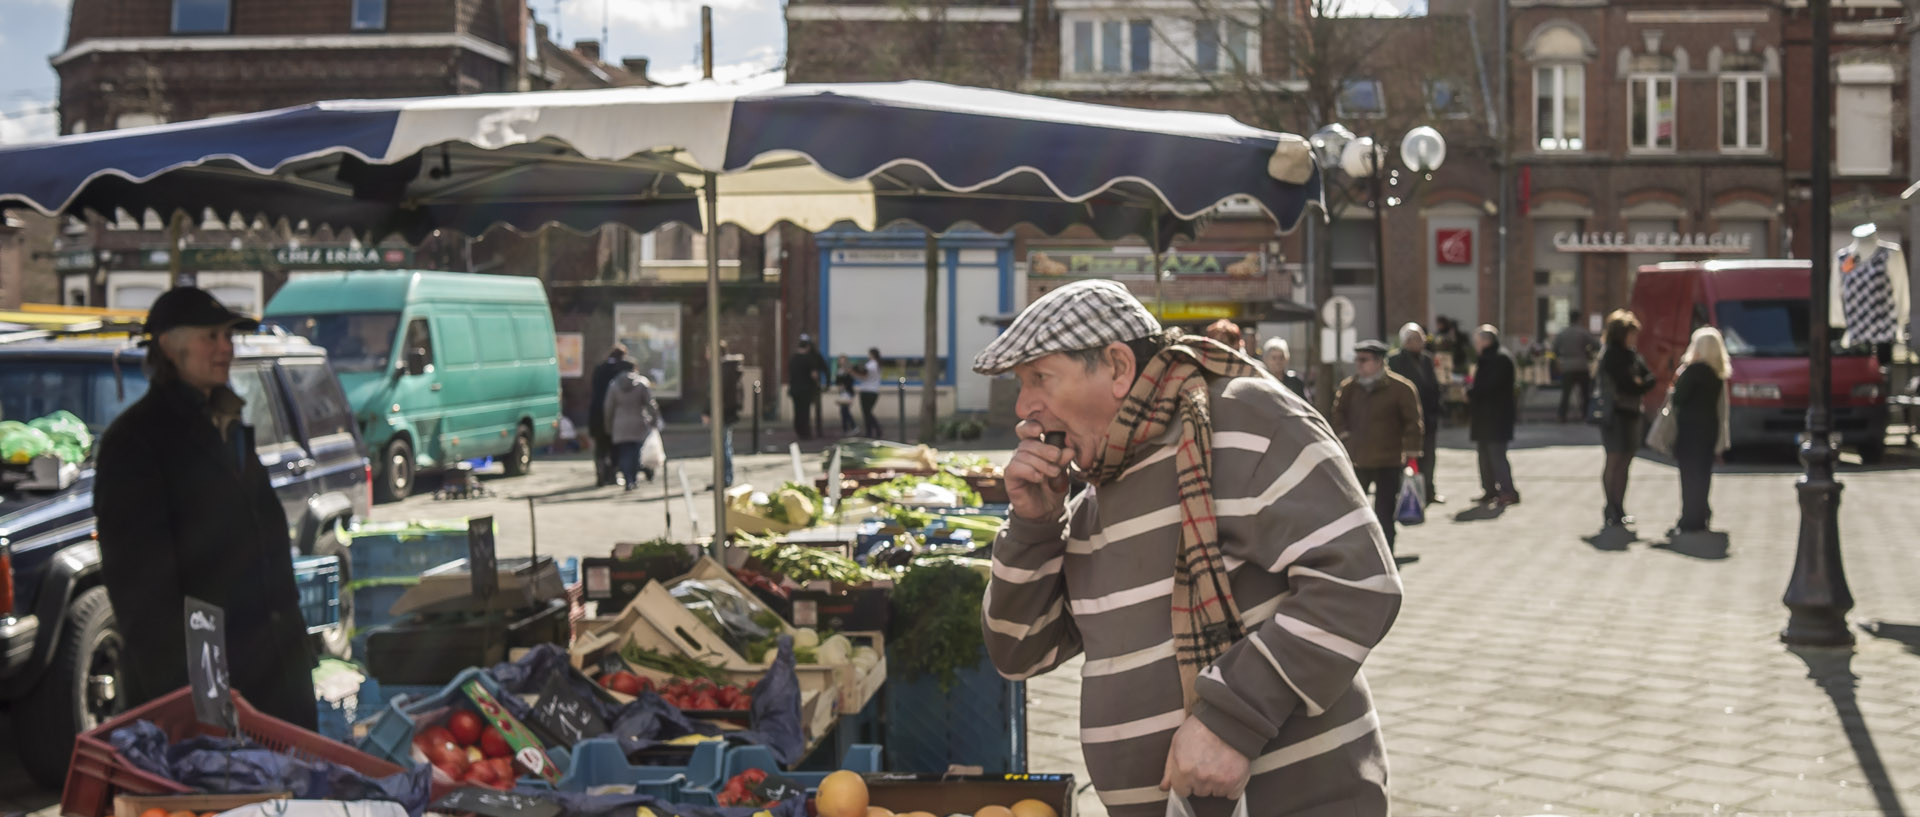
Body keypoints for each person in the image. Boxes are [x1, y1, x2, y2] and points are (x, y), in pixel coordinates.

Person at [978, 279, 1401, 816]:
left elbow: (1360, 580)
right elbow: (1020, 652)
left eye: (1040, 377)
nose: (1024, 406)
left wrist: (1231, 721)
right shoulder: (1095, 496)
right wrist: (1033, 525)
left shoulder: (1246, 419)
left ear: (1117, 367)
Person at [92, 287, 316, 728]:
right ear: (169, 347)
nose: (225, 348)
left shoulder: (228, 425)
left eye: (228, 337)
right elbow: (141, 590)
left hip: (274, 676)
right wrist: (188, 695)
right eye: (210, 337)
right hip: (206, 686)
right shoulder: (136, 441)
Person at [1333, 339, 1424, 553]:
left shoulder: (1400, 388)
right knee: (1355, 511)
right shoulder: (1349, 387)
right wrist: (1345, 436)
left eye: (1364, 360)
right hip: (1357, 460)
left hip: (1388, 460)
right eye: (1357, 359)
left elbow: (1413, 422)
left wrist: (1412, 455)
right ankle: (1359, 553)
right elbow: (1338, 413)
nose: (1359, 364)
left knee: (1384, 513)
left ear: (1379, 362)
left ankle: (1386, 553)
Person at [1669, 327, 1732, 536]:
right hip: (1709, 428)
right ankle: (1702, 515)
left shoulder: (1693, 371)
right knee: (1703, 474)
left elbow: (1677, 398)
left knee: (1688, 475)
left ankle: (1689, 519)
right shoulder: (1717, 373)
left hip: (1689, 429)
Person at [1598, 310, 1657, 527]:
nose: (1634, 338)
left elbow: (1650, 378)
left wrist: (1639, 382)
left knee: (1626, 462)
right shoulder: (1611, 355)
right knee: (1614, 461)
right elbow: (1628, 384)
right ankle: (1610, 507)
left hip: (1632, 414)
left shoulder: (1632, 355)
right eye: (1631, 334)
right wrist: (1638, 383)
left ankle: (1619, 507)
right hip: (1614, 416)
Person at [1387, 323, 1444, 505]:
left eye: (1422, 339)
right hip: (1405, 418)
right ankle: (1405, 492)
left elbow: (1434, 386)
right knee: (1407, 457)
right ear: (1407, 341)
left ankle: (1429, 491)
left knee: (1429, 456)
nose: (1421, 342)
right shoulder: (1395, 360)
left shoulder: (1427, 359)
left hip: (1428, 417)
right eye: (1417, 339)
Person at [1466, 325, 1519, 506]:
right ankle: (1489, 490)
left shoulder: (1499, 358)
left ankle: (1507, 490)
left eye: (1478, 342)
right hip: (1485, 417)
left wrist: (1471, 392)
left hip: (1496, 417)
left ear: (1486, 341)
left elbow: (1489, 387)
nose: (1476, 346)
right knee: (1484, 455)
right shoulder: (1489, 357)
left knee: (1496, 455)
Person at [603, 359, 661, 490]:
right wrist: (654, 419)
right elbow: (651, 404)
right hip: (638, 421)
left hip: (620, 423)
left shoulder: (614, 385)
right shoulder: (641, 383)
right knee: (636, 452)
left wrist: (608, 425)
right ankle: (633, 479)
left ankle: (628, 478)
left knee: (624, 453)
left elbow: (608, 407)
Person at [588, 344, 629, 487]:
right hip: (614, 414)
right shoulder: (620, 370)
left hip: (596, 413)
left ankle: (600, 475)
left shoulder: (599, 369)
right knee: (614, 446)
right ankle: (612, 475)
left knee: (600, 446)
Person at [1553, 311, 1599, 423]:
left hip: (1567, 366)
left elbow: (1554, 348)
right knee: (1585, 393)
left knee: (1566, 394)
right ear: (1579, 319)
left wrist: (1558, 361)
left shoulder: (1563, 333)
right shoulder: (1582, 332)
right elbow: (1596, 345)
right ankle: (1585, 415)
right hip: (1582, 365)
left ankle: (1562, 416)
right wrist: (1588, 352)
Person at [788, 334, 829, 440]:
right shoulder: (809, 359)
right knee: (805, 411)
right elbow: (814, 375)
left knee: (797, 411)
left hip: (794, 389)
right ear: (808, 347)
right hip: (806, 389)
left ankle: (799, 431)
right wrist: (819, 384)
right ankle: (806, 433)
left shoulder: (793, 359)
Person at [857, 346, 885, 438]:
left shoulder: (871, 365)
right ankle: (875, 430)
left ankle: (873, 430)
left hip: (867, 390)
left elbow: (864, 376)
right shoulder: (877, 364)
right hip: (874, 390)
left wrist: (853, 372)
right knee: (868, 412)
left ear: (872, 354)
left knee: (867, 412)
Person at [833, 354, 858, 434]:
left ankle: (852, 427)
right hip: (842, 393)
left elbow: (851, 381)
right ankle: (846, 428)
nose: (842, 362)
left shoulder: (849, 370)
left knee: (845, 410)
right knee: (843, 411)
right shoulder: (839, 370)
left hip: (848, 393)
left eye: (843, 360)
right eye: (840, 360)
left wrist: (844, 385)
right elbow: (837, 381)